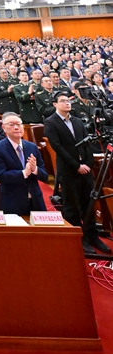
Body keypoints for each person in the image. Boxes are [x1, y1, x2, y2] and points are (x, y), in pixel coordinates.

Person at [44, 93, 111, 255]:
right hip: (69, 170)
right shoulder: (50, 122)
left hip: (85, 169)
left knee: (89, 203)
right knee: (72, 206)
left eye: (68, 100)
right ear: (55, 104)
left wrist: (88, 163)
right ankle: (79, 238)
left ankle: (92, 235)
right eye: (63, 101)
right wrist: (77, 166)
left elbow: (87, 144)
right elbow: (58, 147)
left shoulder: (77, 121)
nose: (67, 103)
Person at [0, 113, 48, 215]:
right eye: (11, 124)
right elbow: (2, 175)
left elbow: (45, 175)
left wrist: (35, 169)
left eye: (19, 124)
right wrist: (24, 173)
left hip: (36, 201)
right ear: (3, 128)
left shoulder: (32, 147)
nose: (16, 127)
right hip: (13, 202)